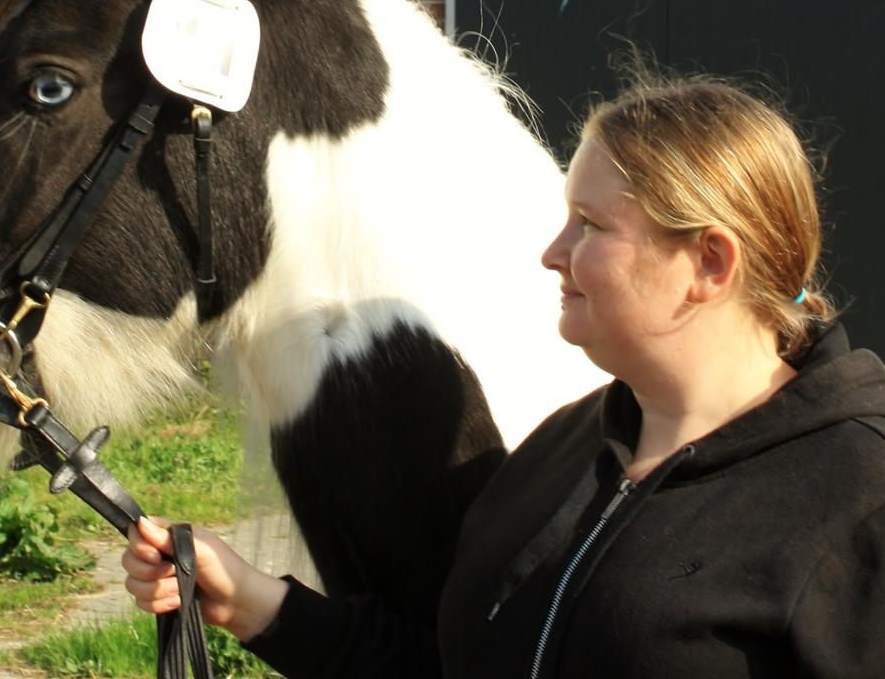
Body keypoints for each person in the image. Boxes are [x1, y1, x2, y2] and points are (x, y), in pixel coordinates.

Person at [124, 73, 885, 677]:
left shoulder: (859, 499)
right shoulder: (564, 449)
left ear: (710, 262)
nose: (553, 253)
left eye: (591, 225)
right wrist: (251, 603)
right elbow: (451, 665)